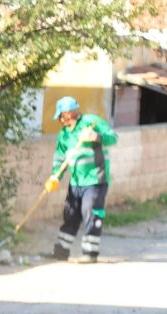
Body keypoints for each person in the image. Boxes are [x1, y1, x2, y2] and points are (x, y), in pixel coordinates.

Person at [43, 96, 118, 263]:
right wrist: (55, 176)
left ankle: (90, 253)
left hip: (95, 180)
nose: (60, 120)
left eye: (61, 116)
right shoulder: (64, 135)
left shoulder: (91, 122)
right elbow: (60, 158)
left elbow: (113, 138)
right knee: (70, 214)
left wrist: (96, 136)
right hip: (76, 182)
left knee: (90, 212)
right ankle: (61, 251)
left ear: (69, 114)